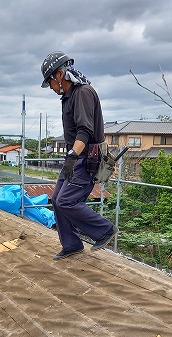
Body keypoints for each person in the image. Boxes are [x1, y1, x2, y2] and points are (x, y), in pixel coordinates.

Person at [41, 51, 116, 259]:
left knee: (67, 201)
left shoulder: (82, 93)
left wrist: (73, 157)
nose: (51, 88)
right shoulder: (68, 96)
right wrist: (70, 158)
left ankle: (105, 230)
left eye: (50, 83)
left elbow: (85, 130)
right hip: (74, 156)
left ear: (58, 75)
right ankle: (72, 244)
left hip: (85, 157)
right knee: (57, 199)